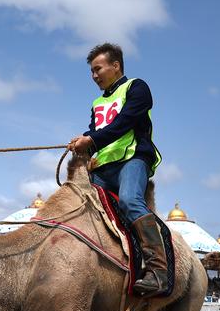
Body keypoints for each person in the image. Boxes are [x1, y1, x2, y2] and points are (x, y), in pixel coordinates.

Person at [69, 42, 166, 297]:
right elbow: (96, 132)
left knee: (130, 200)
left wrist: (92, 139)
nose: (94, 75)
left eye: (98, 69)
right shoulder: (97, 102)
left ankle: (158, 272)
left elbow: (126, 122)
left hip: (133, 159)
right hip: (104, 166)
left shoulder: (137, 87)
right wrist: (83, 142)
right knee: (76, 206)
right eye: (91, 71)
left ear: (115, 66)